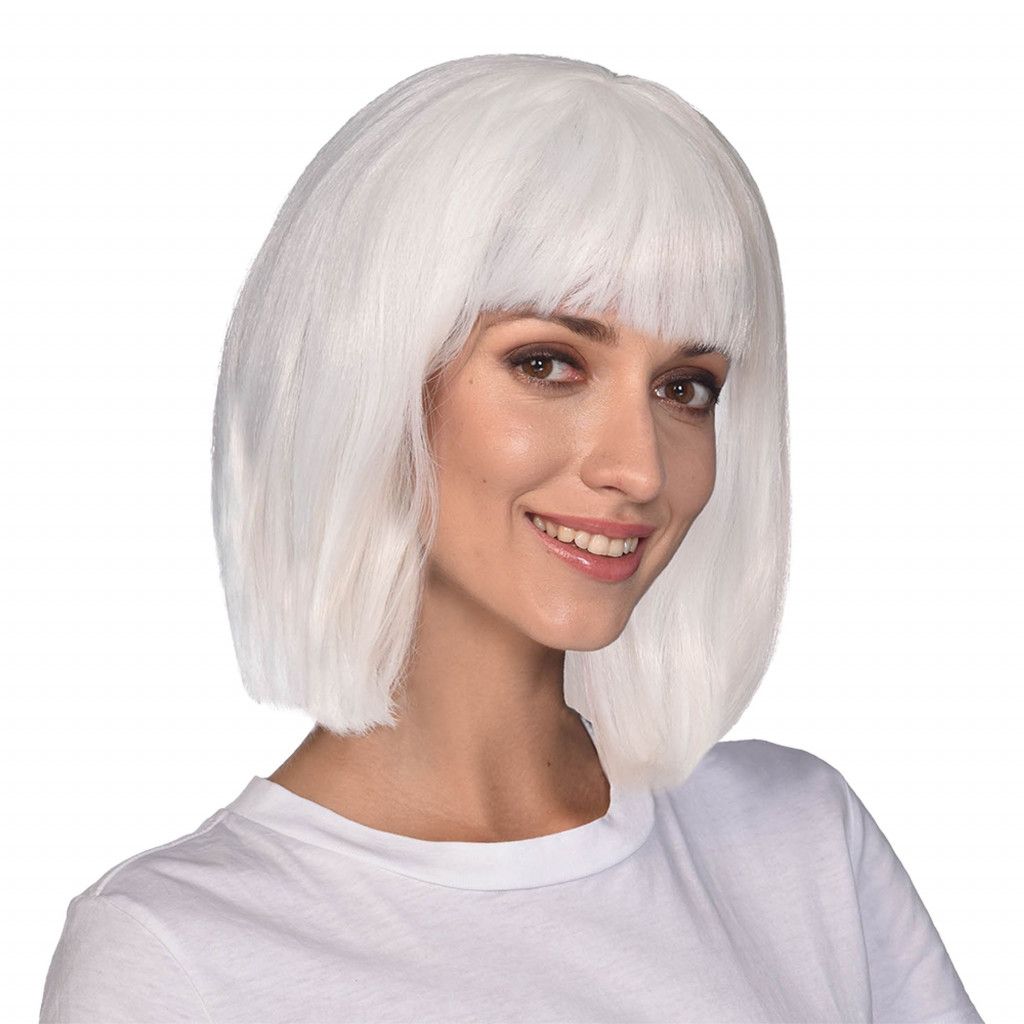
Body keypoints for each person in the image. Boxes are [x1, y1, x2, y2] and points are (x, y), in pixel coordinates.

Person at [39, 53, 984, 1023]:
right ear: (369, 381)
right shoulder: (178, 955)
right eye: (548, 364)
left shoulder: (800, 841)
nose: (641, 468)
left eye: (683, 388)